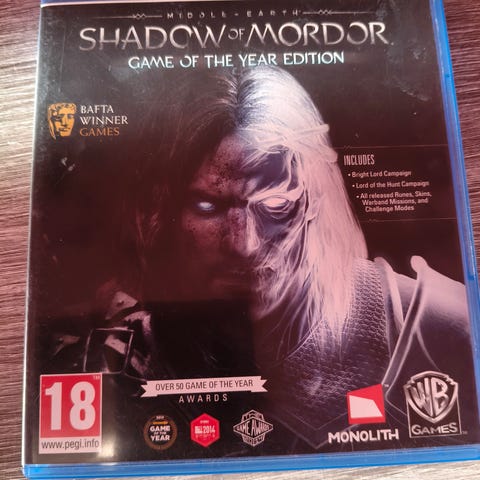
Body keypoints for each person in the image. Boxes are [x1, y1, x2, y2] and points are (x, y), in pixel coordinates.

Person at [48, 66, 476, 451]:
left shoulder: (434, 329)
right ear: (164, 208)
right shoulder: (114, 359)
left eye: (274, 205)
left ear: (312, 200)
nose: (245, 244)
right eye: (207, 206)